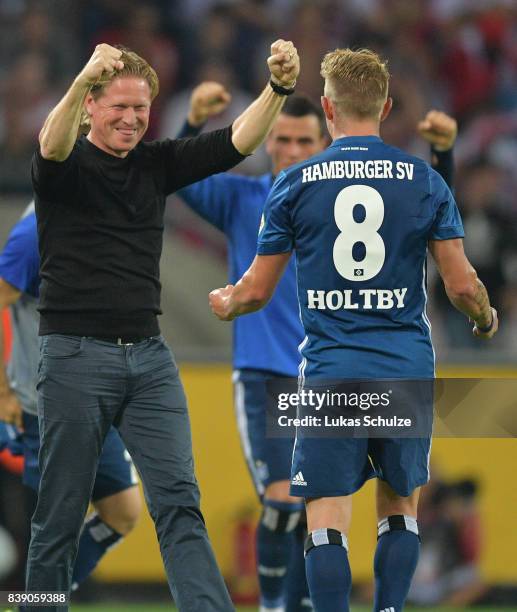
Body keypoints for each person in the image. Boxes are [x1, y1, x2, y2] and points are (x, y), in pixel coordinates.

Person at [209, 48, 498, 612]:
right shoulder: (425, 181)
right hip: (404, 367)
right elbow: (462, 286)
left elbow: (255, 291)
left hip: (331, 368)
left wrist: (225, 302)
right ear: (386, 106)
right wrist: (485, 318)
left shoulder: (293, 184)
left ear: (327, 107)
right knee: (400, 507)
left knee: (325, 514)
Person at [27, 39, 299, 612]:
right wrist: (82, 77)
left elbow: (237, 142)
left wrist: (277, 89)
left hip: (149, 360)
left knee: (179, 502)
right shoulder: (65, 164)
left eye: (141, 109)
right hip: (74, 356)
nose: (131, 119)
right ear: (92, 108)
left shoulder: (156, 163)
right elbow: (50, 143)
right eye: (119, 107)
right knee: (58, 508)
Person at [0, 202, 141, 590]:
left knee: (122, 512)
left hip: (95, 397)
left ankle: (39, 599)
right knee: (55, 528)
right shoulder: (37, 231)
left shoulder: (107, 212)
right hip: (45, 406)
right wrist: (2, 393)